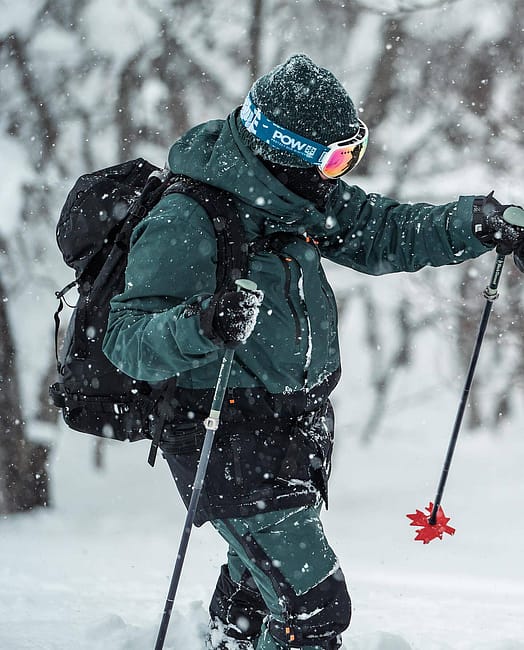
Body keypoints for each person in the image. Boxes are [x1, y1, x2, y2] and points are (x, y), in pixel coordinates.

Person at [103, 54, 524, 650]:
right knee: (314, 604)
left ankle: (230, 639)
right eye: (331, 157)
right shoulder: (189, 218)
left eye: (350, 154)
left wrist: (475, 223)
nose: (339, 172)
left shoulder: (295, 194)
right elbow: (127, 340)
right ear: (280, 148)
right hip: (220, 430)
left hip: (294, 423)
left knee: (254, 590)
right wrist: (203, 323)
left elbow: (383, 231)